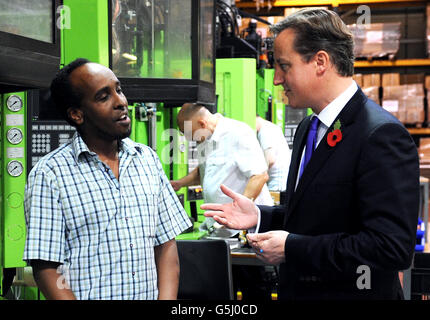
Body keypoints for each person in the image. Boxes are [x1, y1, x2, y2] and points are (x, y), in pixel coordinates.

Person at [202, 8, 420, 300]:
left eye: (284, 66)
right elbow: (316, 217)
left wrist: (291, 248)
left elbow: (389, 247)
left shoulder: (380, 135)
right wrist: (259, 216)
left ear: (320, 62)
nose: (277, 79)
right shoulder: (309, 127)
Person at [23, 58, 192, 300]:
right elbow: (47, 268)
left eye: (119, 90)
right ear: (76, 114)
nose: (121, 102)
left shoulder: (147, 160)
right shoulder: (50, 174)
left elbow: (165, 246)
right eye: (104, 97)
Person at [170, 103, 274, 230]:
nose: (188, 139)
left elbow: (259, 175)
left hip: (247, 225)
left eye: (189, 134)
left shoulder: (237, 133)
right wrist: (179, 183)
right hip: (220, 226)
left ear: (202, 124)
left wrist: (240, 210)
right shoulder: (204, 139)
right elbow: (205, 172)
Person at [256, 115, 291, 192]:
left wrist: (256, 178)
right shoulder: (272, 127)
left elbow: (270, 160)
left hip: (276, 184)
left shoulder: (264, 131)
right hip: (283, 181)